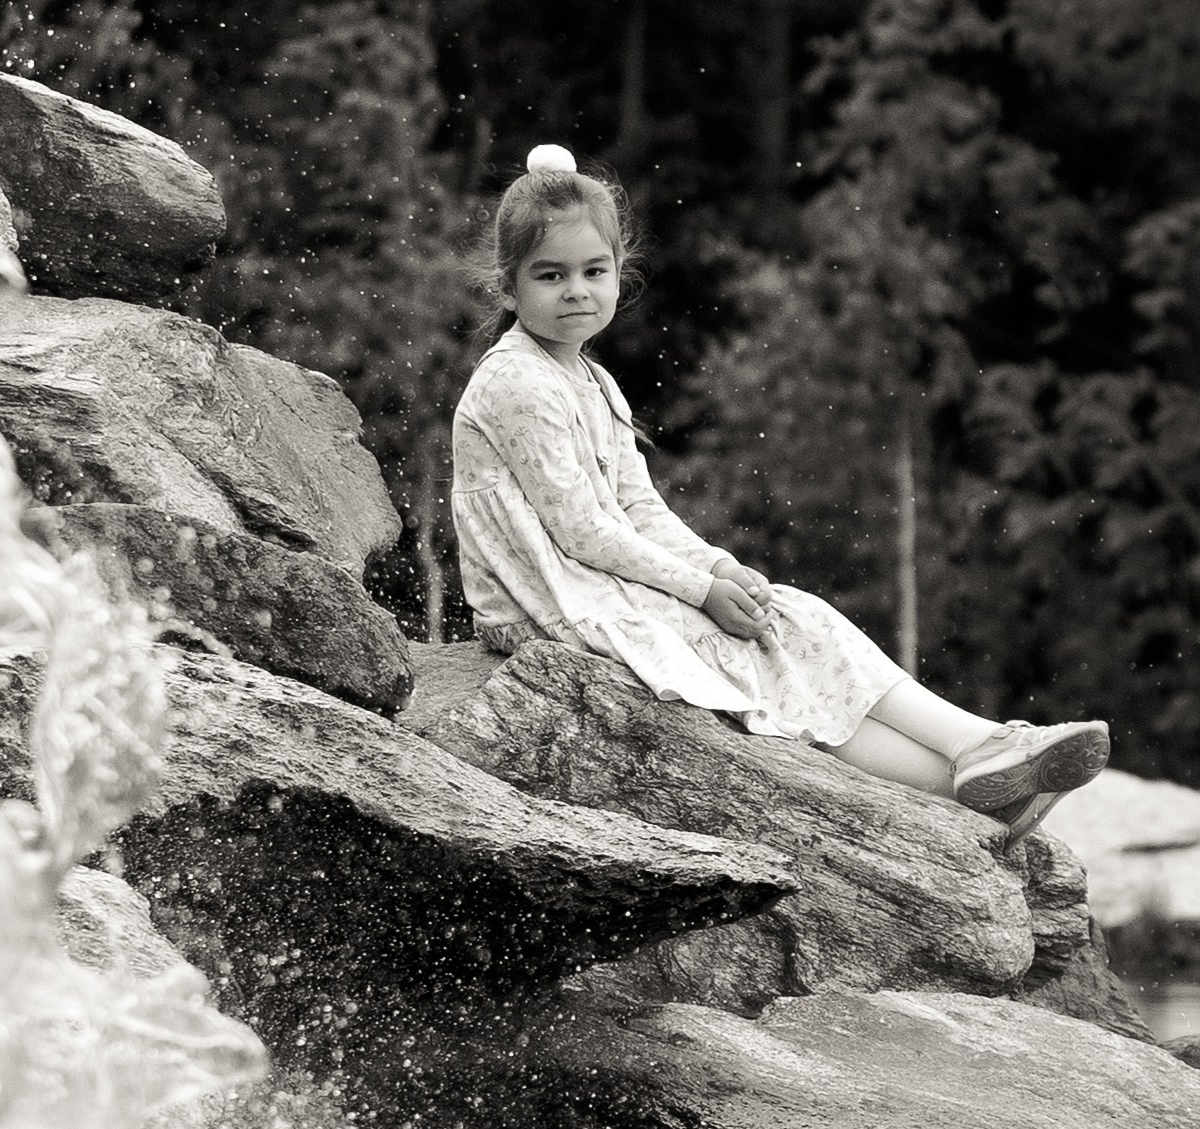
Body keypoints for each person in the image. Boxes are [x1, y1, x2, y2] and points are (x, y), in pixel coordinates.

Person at [450, 144, 1108, 843]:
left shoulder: (591, 380)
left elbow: (638, 509)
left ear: (620, 274)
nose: (575, 290)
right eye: (550, 275)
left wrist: (718, 567)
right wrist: (699, 593)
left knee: (792, 618)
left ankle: (979, 756)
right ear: (508, 285)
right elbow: (582, 530)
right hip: (545, 599)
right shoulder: (517, 382)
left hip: (588, 582)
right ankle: (971, 767)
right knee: (750, 653)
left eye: (593, 271)